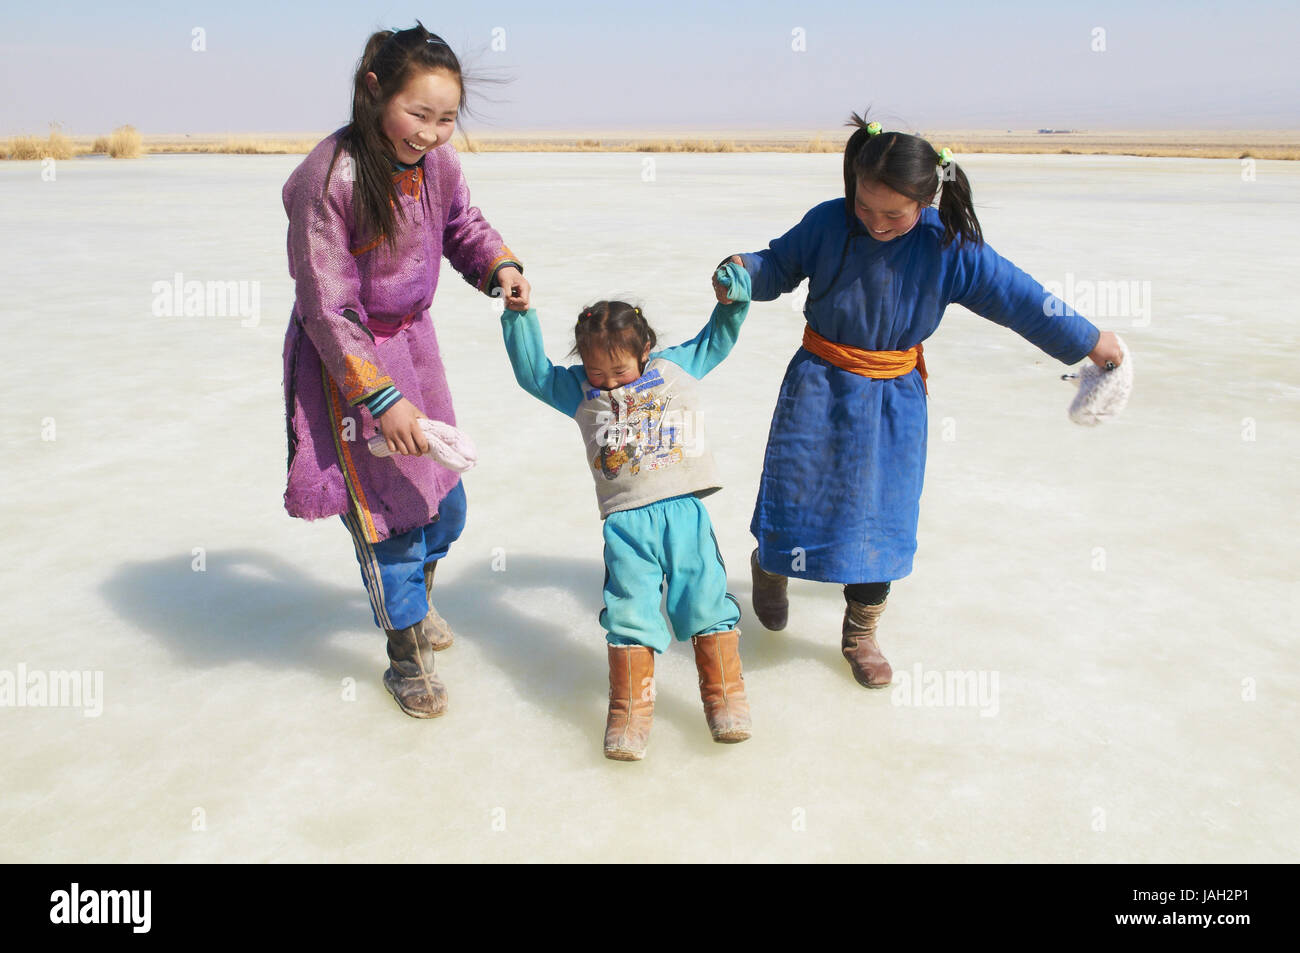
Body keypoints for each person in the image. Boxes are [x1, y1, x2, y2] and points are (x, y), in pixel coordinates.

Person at [712, 115, 1125, 689]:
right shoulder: (829, 222)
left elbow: (1023, 300)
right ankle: (771, 566)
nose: (876, 224)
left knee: (880, 515)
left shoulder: (947, 247)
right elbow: (777, 265)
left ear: (927, 199)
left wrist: (1094, 342)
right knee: (797, 492)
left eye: (893, 214)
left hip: (894, 399)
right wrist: (742, 272)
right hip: (818, 384)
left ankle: (860, 632)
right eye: (865, 207)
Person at [281, 23, 529, 718]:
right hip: (352, 363)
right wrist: (380, 400)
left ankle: (416, 605)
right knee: (389, 515)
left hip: (417, 349)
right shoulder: (327, 179)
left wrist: (498, 265)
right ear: (373, 91)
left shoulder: (436, 166)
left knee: (443, 502)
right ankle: (404, 652)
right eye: (417, 114)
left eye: (446, 118)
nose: (430, 132)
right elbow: (328, 305)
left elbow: (460, 222)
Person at [499, 264, 755, 761]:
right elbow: (533, 375)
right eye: (598, 372)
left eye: (620, 371)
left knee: (704, 599)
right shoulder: (578, 392)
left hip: (684, 511)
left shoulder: (674, 368)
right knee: (630, 610)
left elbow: (717, 340)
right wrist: (519, 318)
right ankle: (629, 712)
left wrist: (732, 301)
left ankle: (725, 697)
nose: (610, 382)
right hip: (626, 521)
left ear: (645, 352)